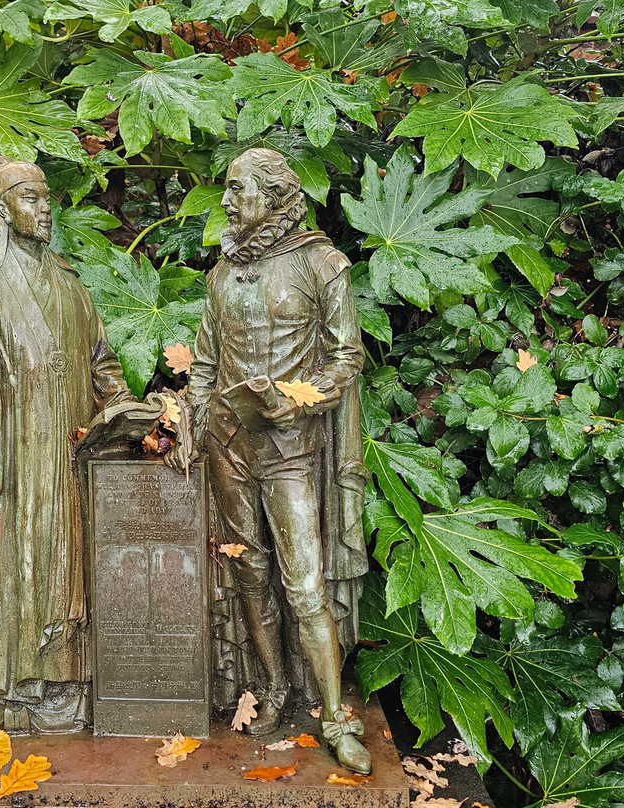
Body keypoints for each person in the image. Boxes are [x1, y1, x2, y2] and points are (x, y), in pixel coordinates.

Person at [0, 157, 133, 732]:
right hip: (13, 457)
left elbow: (102, 363)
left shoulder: (71, 286)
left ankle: (69, 681)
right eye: (31, 199)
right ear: (1, 209)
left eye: (46, 199)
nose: (45, 210)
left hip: (69, 455)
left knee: (68, 562)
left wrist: (123, 408)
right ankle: (11, 689)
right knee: (13, 563)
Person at [184, 148, 371, 772]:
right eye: (226, 189)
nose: (227, 201)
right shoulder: (221, 273)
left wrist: (303, 398)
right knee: (249, 571)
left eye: (237, 189)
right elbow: (205, 363)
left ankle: (334, 714)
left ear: (273, 195)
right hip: (228, 446)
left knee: (306, 584)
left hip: (291, 448)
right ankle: (273, 684)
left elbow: (346, 356)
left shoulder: (323, 264)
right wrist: (194, 418)